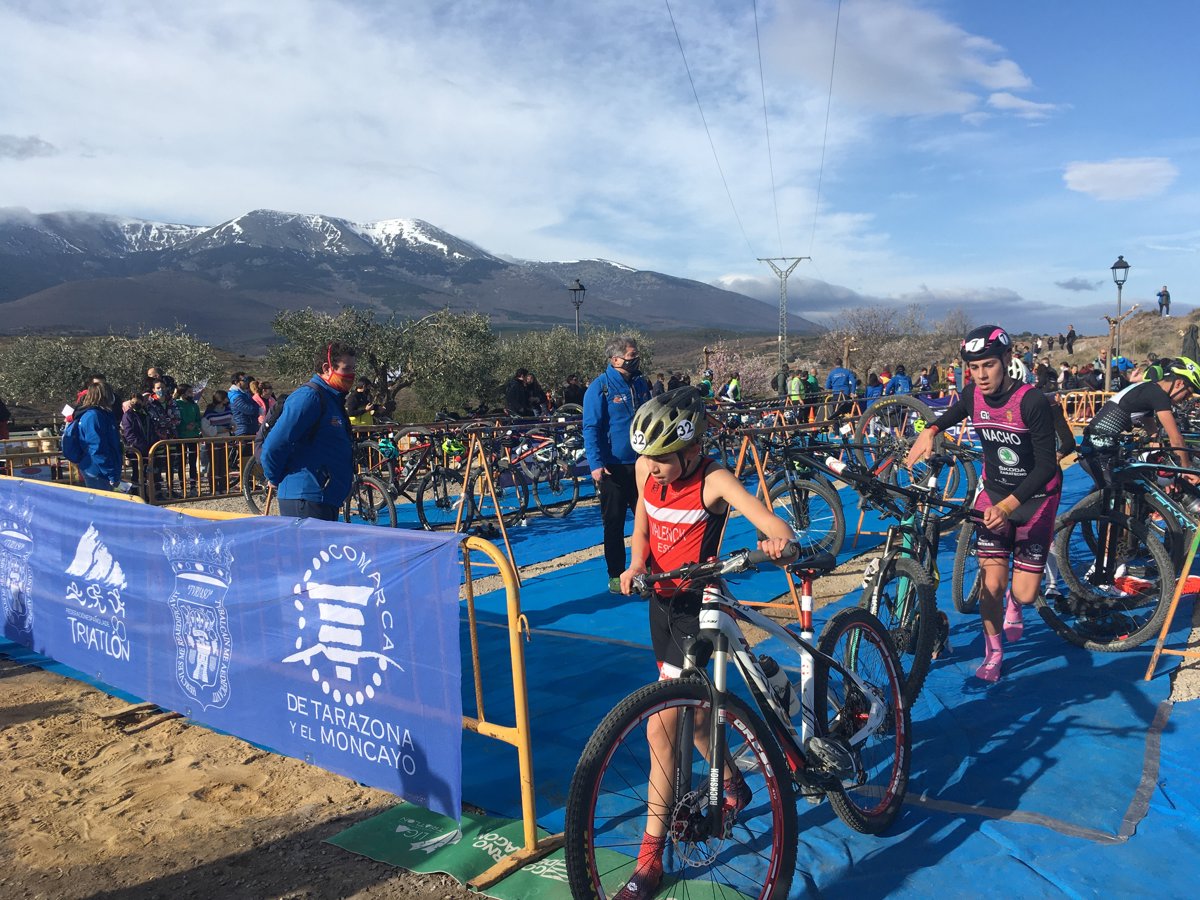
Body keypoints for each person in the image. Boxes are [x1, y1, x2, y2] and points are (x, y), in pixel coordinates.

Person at [615, 386, 795, 900]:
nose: (653, 467)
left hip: (699, 606)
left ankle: (649, 859)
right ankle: (735, 783)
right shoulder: (645, 470)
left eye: (663, 458)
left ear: (693, 450)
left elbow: (768, 520)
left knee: (660, 729)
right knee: (692, 719)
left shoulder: (713, 479)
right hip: (661, 606)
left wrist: (779, 540)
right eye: (647, 457)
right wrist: (635, 564)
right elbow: (642, 528)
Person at [907, 325, 1062, 683]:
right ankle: (994, 653)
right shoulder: (972, 394)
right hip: (993, 492)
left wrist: (1007, 507)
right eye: (973, 368)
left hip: (1036, 498)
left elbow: (1046, 467)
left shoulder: (1031, 401)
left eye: (988, 365)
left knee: (1025, 592)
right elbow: (950, 415)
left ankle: (1016, 604)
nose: (981, 375)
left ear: (1007, 360)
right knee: (991, 585)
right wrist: (930, 430)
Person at [583, 336, 652, 593]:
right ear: (615, 359)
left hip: (642, 463)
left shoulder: (640, 383)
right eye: (632, 356)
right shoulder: (599, 388)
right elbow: (591, 427)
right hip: (612, 468)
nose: (636, 360)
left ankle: (649, 569)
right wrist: (595, 464)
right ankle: (616, 574)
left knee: (648, 520)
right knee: (614, 523)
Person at [260, 342, 357, 521]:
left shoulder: (332, 398)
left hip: (325, 497)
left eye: (353, 368)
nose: (351, 375)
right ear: (326, 368)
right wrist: (273, 477)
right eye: (346, 369)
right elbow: (275, 443)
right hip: (306, 498)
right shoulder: (309, 397)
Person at [1080, 357, 1200, 490]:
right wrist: (1186, 470)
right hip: (1100, 453)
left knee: (1147, 485)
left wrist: (1165, 467)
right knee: (1139, 491)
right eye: (1187, 393)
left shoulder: (1148, 389)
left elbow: (1153, 434)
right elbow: (1176, 439)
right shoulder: (1158, 395)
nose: (1186, 399)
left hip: (1097, 448)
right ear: (1179, 383)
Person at [71, 382, 125, 492]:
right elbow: (97, 448)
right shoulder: (94, 416)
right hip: (97, 471)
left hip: (103, 470)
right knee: (103, 501)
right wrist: (111, 474)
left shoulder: (104, 414)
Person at [201, 390, 235, 493]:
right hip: (213, 441)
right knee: (214, 465)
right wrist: (218, 430)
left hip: (225, 440)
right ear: (221, 399)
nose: (228, 399)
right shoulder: (209, 412)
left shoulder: (228, 410)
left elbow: (233, 421)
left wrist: (232, 427)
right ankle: (214, 488)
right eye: (226, 397)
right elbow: (205, 426)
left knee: (224, 464)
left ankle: (224, 487)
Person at [174, 384, 203, 496]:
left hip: (193, 436)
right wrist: (183, 426)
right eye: (189, 392)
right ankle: (182, 487)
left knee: (192, 462)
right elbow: (174, 420)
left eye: (192, 391)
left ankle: (193, 486)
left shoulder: (194, 405)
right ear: (182, 393)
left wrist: (195, 424)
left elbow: (199, 420)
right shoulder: (176, 404)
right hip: (180, 437)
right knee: (181, 463)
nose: (191, 394)